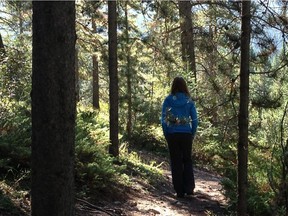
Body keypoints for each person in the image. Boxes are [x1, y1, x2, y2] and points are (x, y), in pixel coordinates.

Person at [161, 76, 198, 198]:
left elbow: (163, 119)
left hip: (172, 134)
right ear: (184, 86)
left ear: (173, 86)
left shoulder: (168, 100)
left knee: (176, 161)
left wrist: (166, 132)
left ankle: (179, 190)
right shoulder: (189, 101)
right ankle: (189, 189)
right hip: (186, 134)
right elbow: (195, 119)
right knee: (187, 160)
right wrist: (192, 132)